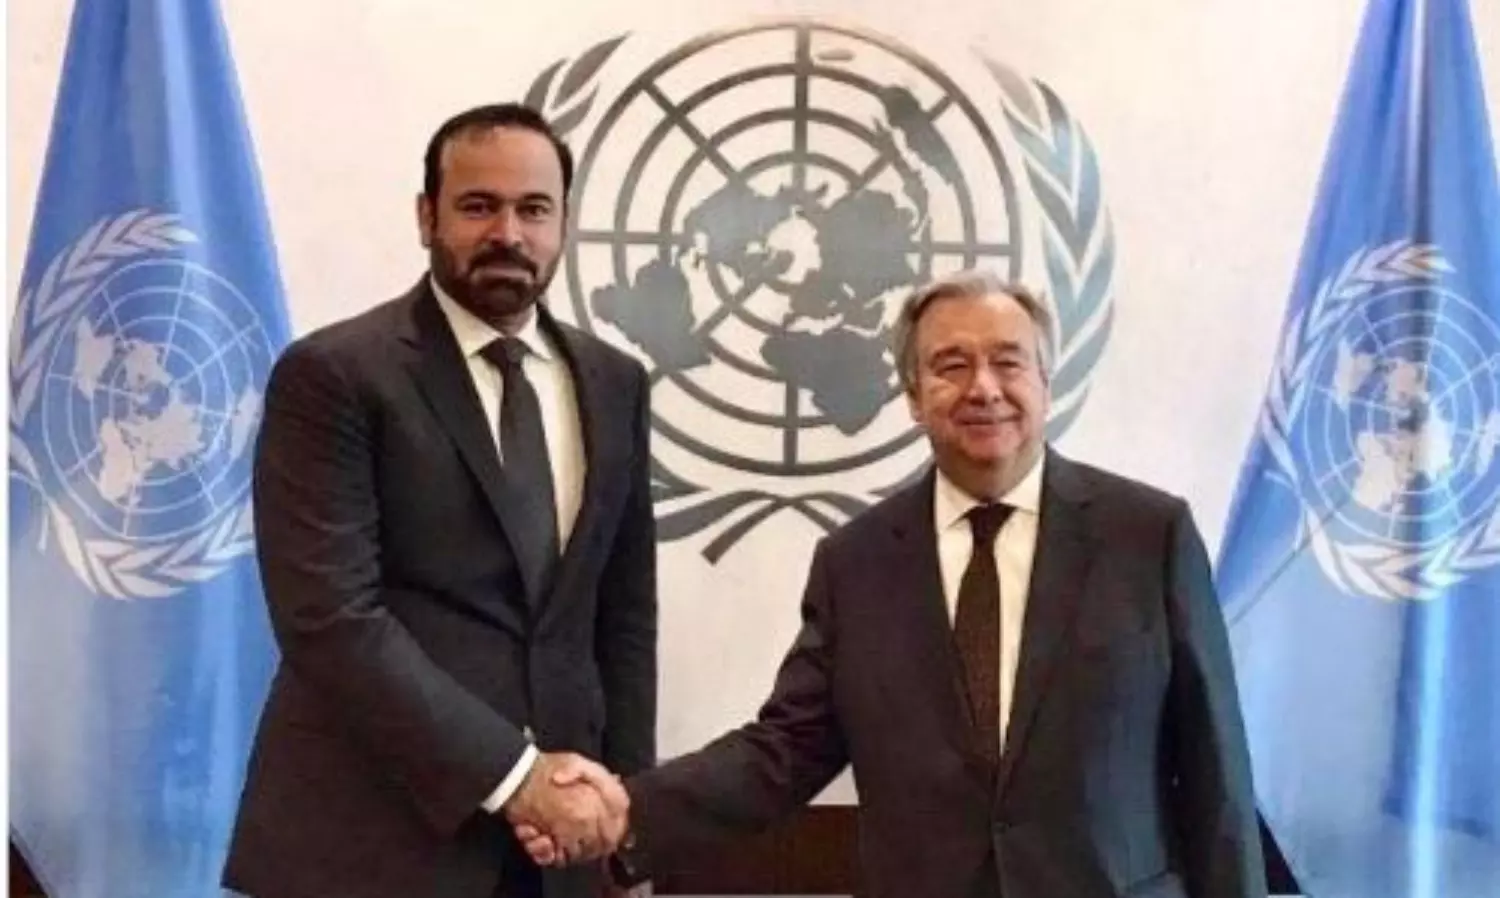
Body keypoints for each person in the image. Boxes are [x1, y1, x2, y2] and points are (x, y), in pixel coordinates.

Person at [523, 269, 1267, 898]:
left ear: (1046, 381)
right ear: (914, 396)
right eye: (951, 365)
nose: (983, 388)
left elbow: (1216, 772)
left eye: (1008, 362)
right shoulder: (857, 563)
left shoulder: (1148, 536)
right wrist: (628, 813)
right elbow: (786, 748)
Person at [223, 102, 657, 898]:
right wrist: (516, 777)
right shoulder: (335, 375)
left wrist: (624, 822)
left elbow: (622, 615)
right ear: (427, 217)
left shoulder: (614, 383)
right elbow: (330, 619)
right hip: (372, 847)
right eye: (478, 206)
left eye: (534, 209)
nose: (508, 234)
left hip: (557, 857)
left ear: (564, 223)